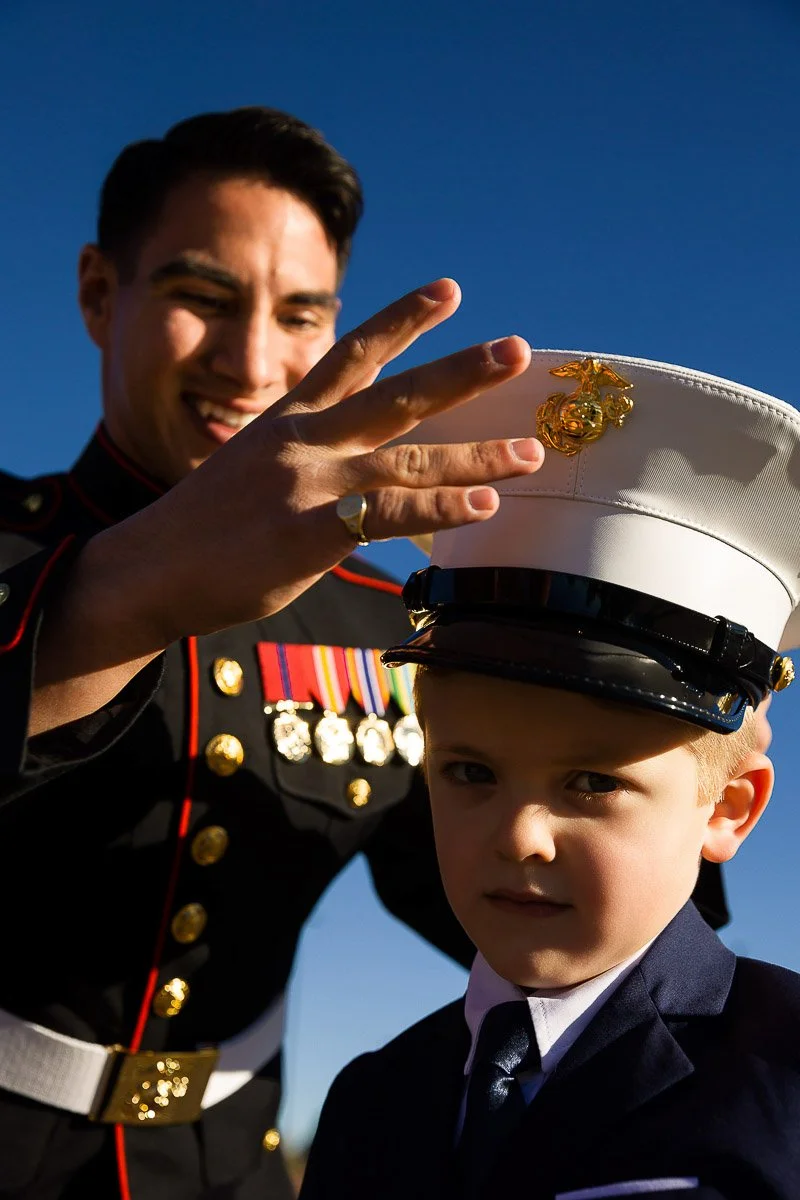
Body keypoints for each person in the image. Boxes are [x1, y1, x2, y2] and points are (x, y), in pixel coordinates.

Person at [0, 107, 545, 1200]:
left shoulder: (393, 628)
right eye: (201, 298)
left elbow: (516, 930)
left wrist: (630, 744)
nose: (253, 362)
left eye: (300, 315)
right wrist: (122, 593)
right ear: (101, 294)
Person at [299, 350, 800, 1200]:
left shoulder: (783, 1078)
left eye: (592, 783)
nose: (519, 834)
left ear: (729, 809)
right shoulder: (373, 1100)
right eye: (469, 770)